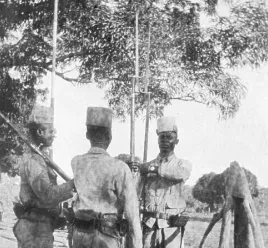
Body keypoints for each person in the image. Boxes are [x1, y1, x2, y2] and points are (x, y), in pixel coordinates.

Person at [71, 106, 142, 248]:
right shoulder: (120, 168)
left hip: (80, 236)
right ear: (110, 136)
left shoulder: (76, 162)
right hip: (106, 239)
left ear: (87, 135)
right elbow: (132, 215)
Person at [13, 115, 75, 248]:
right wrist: (73, 184)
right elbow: (47, 195)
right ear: (40, 132)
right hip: (34, 229)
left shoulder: (39, 158)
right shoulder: (34, 160)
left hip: (40, 226)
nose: (54, 135)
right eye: (51, 131)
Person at [140, 117, 192, 248]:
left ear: (176, 141)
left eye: (169, 137)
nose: (164, 141)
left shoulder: (182, 164)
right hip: (149, 226)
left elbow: (182, 173)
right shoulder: (146, 166)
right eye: (161, 137)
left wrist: (155, 169)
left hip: (171, 227)